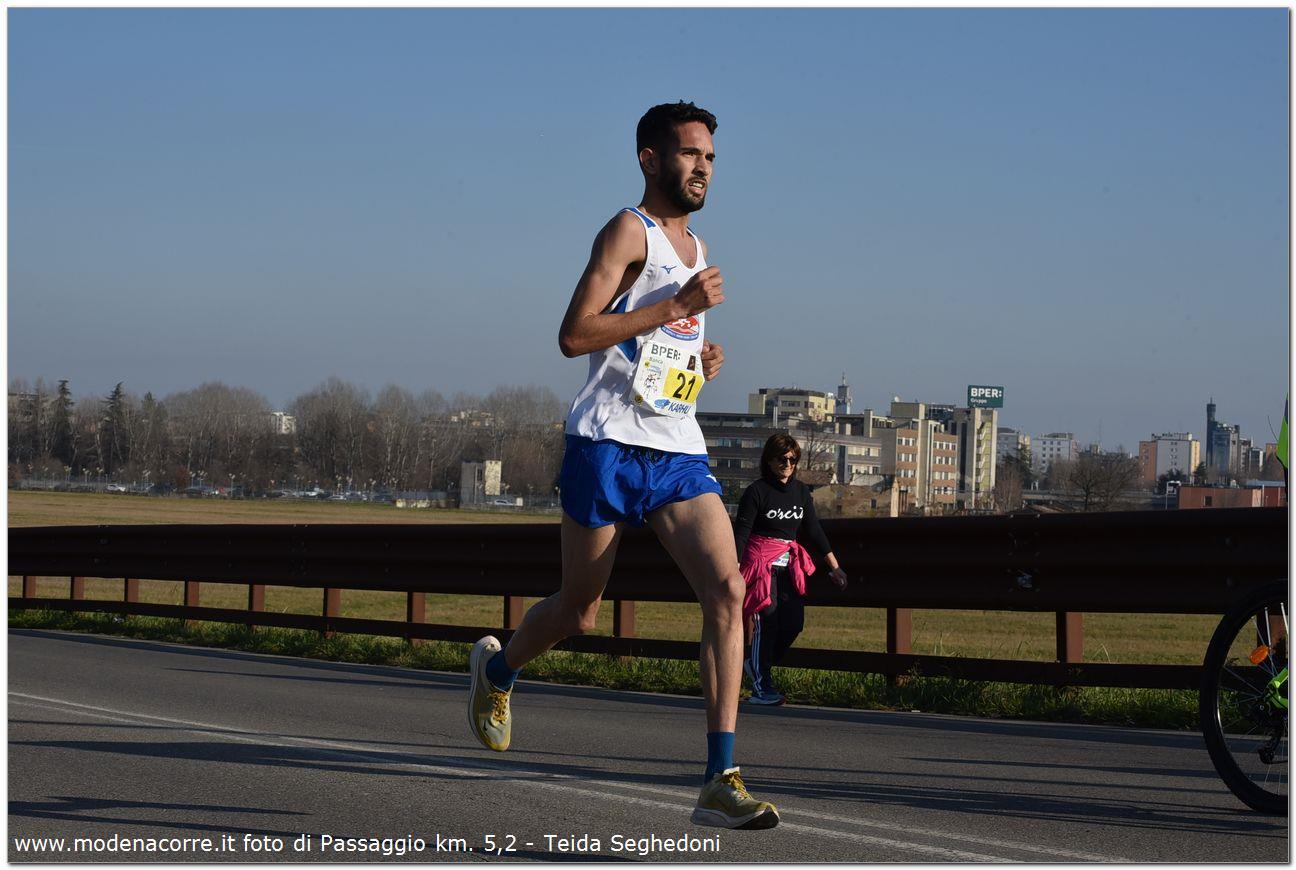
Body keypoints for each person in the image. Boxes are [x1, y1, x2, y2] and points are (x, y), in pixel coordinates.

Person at [467, 101, 779, 831]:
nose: (702, 168)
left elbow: (657, 355)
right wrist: (676, 305)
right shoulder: (627, 231)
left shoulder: (696, 247)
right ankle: (498, 670)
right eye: (689, 154)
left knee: (728, 590)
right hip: (605, 444)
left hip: (675, 447)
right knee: (578, 612)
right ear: (649, 158)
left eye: (710, 157)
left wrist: (699, 361)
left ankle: (719, 778)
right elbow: (576, 334)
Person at [735, 433, 848, 706]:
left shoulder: (801, 492)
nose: (788, 464)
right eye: (782, 459)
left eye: (793, 459)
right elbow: (741, 534)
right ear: (769, 460)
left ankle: (756, 665)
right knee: (767, 623)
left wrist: (835, 567)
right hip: (761, 567)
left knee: (794, 623)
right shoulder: (756, 492)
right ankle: (762, 688)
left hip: (789, 567)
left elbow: (814, 530)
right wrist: (733, 571)